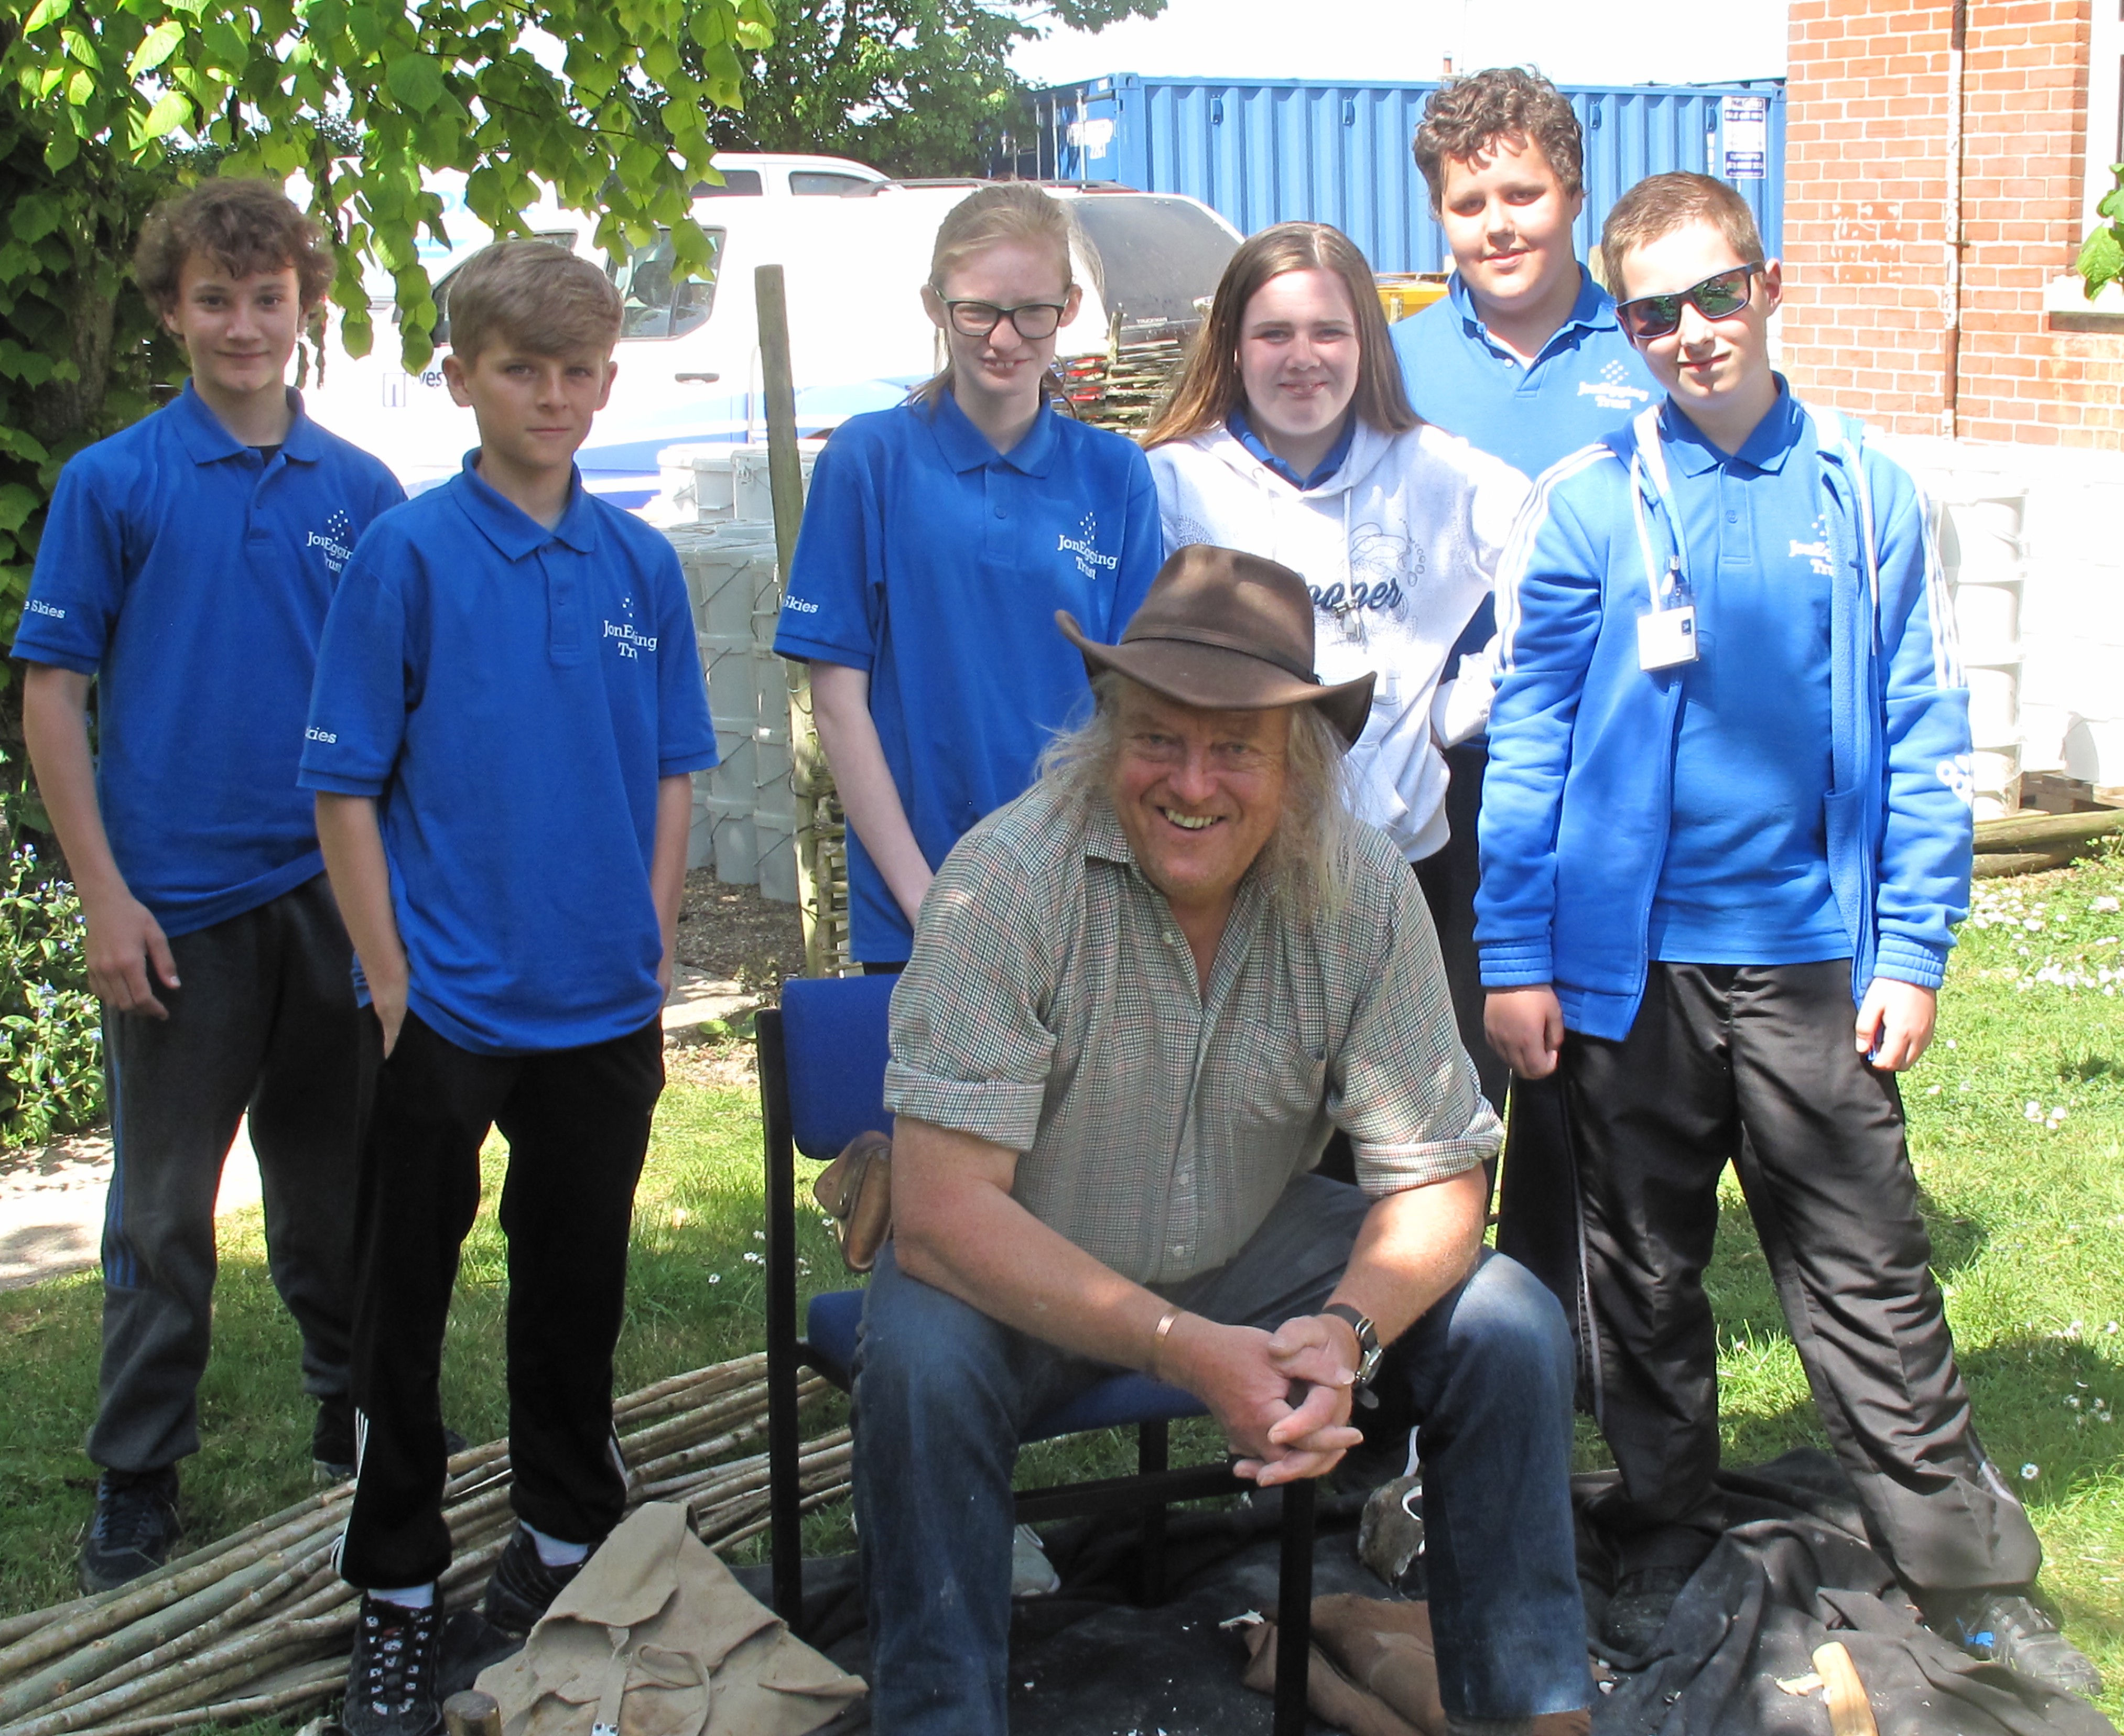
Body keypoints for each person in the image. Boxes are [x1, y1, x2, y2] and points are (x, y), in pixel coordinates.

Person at [1476, 171, 2101, 1696]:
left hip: (1814, 958)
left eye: (1715, 294)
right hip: (1626, 971)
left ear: (1769, 285)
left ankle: (1961, 1569)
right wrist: (1514, 954)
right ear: (1623, 330)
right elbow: (1529, 738)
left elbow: (1922, 726)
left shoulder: (1866, 492)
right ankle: (1660, 1528)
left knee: (1868, 1268)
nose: (1690, 332)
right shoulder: (1586, 503)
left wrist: (1911, 947)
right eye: (1652, 313)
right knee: (1639, 1274)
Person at [857, 545, 1591, 1736]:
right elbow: (941, 1216)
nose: (1192, 782)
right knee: (920, 1365)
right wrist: (1186, 1349)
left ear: (1297, 766)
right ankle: (941, 1717)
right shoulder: (1005, 881)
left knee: (1510, 1323)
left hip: (1254, 1243)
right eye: (1158, 737)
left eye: (1237, 748)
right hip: (1021, 1258)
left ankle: (1527, 1716)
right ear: (1108, 737)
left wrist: (1346, 1333)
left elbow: (1444, 1174)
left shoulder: (1362, 891)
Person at [298, 241, 719, 1736]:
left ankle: (558, 1538)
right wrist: (389, 977)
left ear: (608, 380)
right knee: (399, 1306)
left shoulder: (640, 565)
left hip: (602, 1004)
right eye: (520, 369)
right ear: (461, 376)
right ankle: (398, 1585)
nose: (553, 396)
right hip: (446, 1008)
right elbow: (344, 789)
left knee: (574, 1288)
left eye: (578, 371)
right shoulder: (407, 556)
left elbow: (672, 769)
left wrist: (647, 938)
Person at [11, 180, 405, 1592]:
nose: (245, 326)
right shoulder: (113, 483)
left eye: (269, 298)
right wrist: (103, 897)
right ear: (172, 313)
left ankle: (354, 1419)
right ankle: (136, 1473)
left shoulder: (362, 492)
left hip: (328, 893)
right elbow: (52, 699)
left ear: (306, 308)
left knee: (335, 1193)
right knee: (165, 1208)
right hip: (174, 907)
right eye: (216, 300)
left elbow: (401, 702)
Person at [1390, 65, 1663, 1350]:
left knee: (1580, 1064)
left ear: (1572, 194)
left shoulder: (1644, 347)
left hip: (1605, 767)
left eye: (1521, 194)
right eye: (1467, 203)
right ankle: (1425, 1328)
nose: (1496, 225)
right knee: (1440, 1057)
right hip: (1445, 772)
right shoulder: (1393, 363)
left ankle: (1559, 1335)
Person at [1144, 220, 1526, 1111]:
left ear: (1367, 344)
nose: (1302, 358)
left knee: (1410, 1125)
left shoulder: (1437, 473)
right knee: (1248, 1130)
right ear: (1231, 346)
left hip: (1407, 868)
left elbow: (1561, 573)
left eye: (1329, 331)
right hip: (1235, 871)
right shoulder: (1170, 483)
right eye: (1274, 333)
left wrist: (1463, 705)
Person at [773, 181, 1162, 969]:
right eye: (977, 311)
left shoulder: (1115, 474)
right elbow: (838, 703)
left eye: (1032, 312)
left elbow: (1135, 702)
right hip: (916, 911)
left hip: (1080, 909)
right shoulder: (869, 461)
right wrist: (929, 904)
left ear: (1069, 308)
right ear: (934, 306)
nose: (1004, 338)